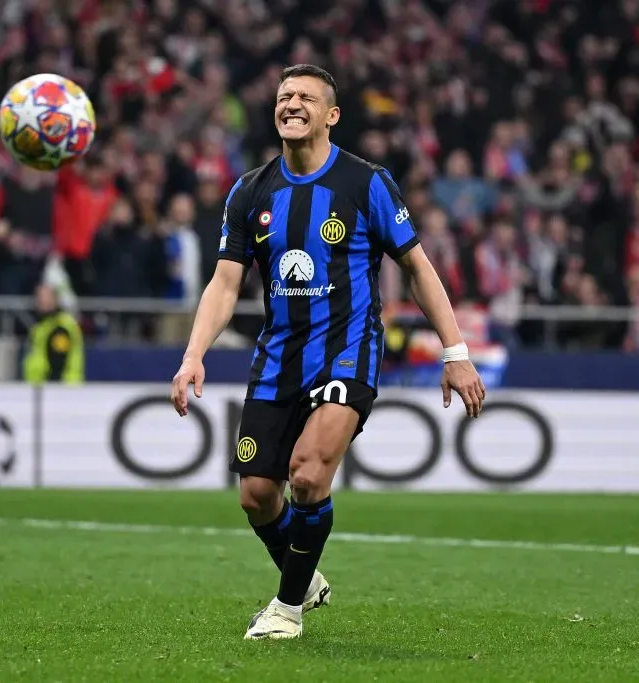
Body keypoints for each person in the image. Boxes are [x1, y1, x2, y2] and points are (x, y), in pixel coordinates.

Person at [169, 64, 486, 640]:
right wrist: (193, 354)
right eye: (284, 96)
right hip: (278, 355)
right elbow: (224, 282)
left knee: (308, 474)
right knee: (257, 496)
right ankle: (306, 574)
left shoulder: (366, 184)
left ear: (331, 115)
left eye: (305, 98)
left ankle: (286, 610)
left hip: (348, 349)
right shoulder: (249, 190)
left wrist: (455, 350)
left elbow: (417, 266)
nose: (291, 104)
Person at [23, 283, 84, 384]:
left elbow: (58, 362)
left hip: (58, 389)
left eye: (46, 297)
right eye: (40, 297)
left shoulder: (61, 326)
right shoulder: (41, 326)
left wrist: (53, 389)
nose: (42, 301)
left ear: (56, 299)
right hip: (38, 387)